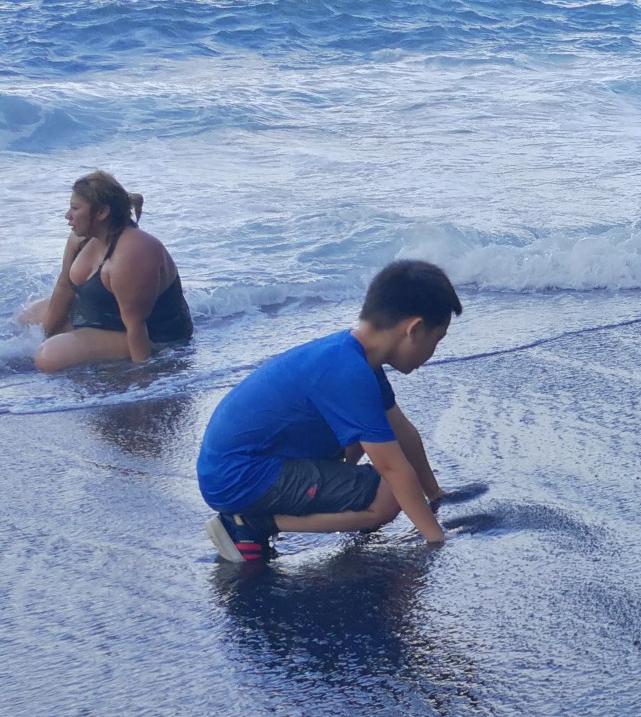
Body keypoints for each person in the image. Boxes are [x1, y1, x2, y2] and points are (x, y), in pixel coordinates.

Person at [196, 260, 461, 564]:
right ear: (414, 329)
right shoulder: (348, 372)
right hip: (238, 476)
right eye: (436, 340)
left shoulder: (355, 358)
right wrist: (436, 538)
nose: (434, 352)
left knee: (371, 431)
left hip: (245, 464)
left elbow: (403, 433)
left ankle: (343, 505)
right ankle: (250, 524)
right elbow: (393, 469)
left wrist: (435, 494)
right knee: (389, 495)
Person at [20, 170, 193, 372]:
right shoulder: (80, 238)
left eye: (75, 208)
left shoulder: (133, 253)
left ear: (102, 212)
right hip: (102, 316)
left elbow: (136, 325)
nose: (68, 216)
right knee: (26, 316)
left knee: (47, 357)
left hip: (153, 336)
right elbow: (65, 285)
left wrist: (143, 383)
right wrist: (48, 332)